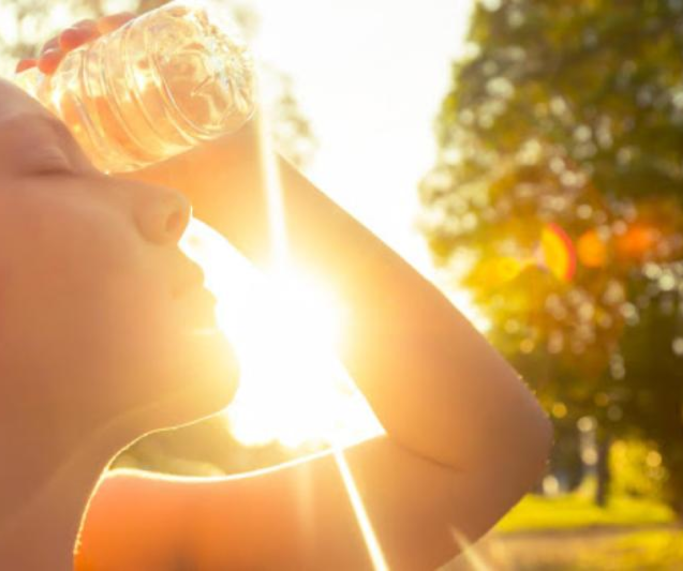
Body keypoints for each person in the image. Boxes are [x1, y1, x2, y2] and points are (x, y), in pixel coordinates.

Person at [2, 12, 553, 570]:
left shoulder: (115, 545)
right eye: (53, 164)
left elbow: (488, 448)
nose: (174, 206)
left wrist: (235, 178)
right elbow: (483, 456)